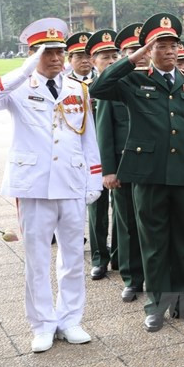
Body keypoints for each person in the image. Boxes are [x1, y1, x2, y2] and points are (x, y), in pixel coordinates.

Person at [0, 18, 102, 352]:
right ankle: (43, 324)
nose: (56, 58)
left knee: (74, 258)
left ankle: (70, 319)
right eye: (47, 52)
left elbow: (88, 138)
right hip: (34, 186)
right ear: (33, 54)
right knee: (36, 259)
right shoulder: (18, 86)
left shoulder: (78, 88)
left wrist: (94, 177)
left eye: (60, 51)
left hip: (71, 183)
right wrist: (24, 69)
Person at [90, 13, 184, 333]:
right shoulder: (134, 80)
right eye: (162, 45)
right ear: (150, 49)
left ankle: (182, 300)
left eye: (174, 44)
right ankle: (157, 304)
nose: (170, 51)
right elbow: (99, 87)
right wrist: (131, 59)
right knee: (154, 243)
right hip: (148, 174)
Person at [96, 23, 145, 303]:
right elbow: (105, 131)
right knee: (128, 226)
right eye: (130, 51)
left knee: (154, 225)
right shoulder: (115, 86)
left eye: (142, 50)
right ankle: (132, 277)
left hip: (154, 167)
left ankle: (156, 273)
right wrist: (109, 170)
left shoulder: (158, 82)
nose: (139, 55)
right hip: (125, 168)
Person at [84, 29, 119, 281]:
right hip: (91, 157)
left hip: (120, 155)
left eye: (113, 55)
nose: (110, 61)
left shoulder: (124, 85)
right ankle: (99, 258)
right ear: (93, 60)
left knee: (122, 210)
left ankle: (119, 254)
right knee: (96, 209)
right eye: (104, 56)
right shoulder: (81, 89)